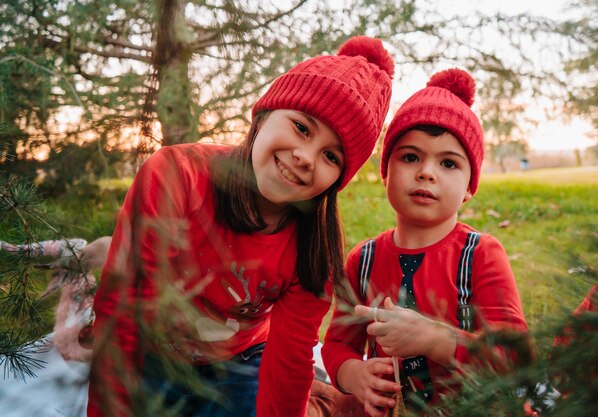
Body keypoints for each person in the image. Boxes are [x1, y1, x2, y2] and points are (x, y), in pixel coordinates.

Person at [87, 36, 394, 417]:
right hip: (157, 352)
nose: (305, 158)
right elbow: (124, 312)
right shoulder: (175, 177)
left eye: (331, 156)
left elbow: (290, 359)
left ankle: (321, 403)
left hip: (241, 359)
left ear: (338, 178)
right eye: (301, 127)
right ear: (264, 116)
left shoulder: (314, 249)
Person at [322, 68, 528, 417]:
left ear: (468, 187)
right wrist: (355, 374)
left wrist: (436, 340)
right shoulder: (363, 260)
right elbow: (339, 344)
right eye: (410, 157)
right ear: (385, 172)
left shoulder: (480, 255)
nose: (426, 172)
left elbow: (513, 357)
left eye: (448, 162)